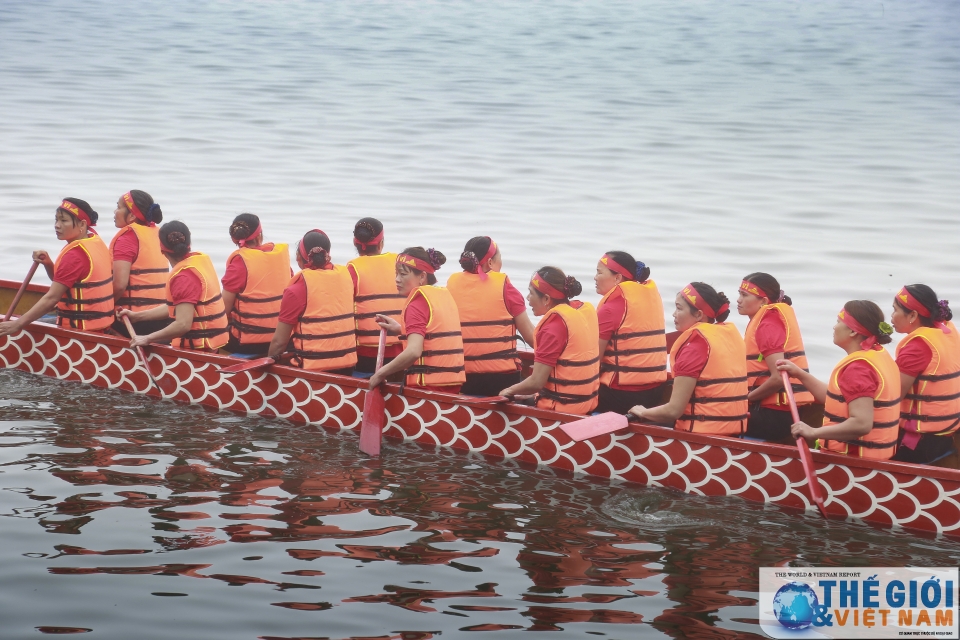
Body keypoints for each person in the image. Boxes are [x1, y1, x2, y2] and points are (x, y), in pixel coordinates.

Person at [776, 301, 900, 460]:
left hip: (854, 464)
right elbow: (834, 398)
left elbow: (862, 424)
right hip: (874, 461)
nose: (834, 327)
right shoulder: (876, 354)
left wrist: (813, 432)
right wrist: (800, 374)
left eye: (838, 322)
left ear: (853, 332)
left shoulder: (858, 369)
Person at [628, 283, 748, 436]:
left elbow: (673, 411)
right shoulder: (725, 337)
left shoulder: (694, 348)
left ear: (698, 315)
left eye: (679, 308)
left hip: (700, 438)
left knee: (636, 418)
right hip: (732, 432)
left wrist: (643, 412)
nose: (673, 314)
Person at [0, 198, 114, 338]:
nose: (57, 225)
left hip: (80, 333)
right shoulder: (92, 240)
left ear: (82, 224)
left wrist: (17, 324)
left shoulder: (75, 255)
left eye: (63, 221)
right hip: (100, 327)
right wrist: (48, 264)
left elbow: (52, 298)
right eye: (56, 220)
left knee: (21, 322)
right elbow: (64, 283)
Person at [500, 267, 599, 415]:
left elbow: (536, 382)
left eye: (531, 293)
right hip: (584, 405)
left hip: (560, 413)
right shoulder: (582, 311)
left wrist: (507, 391)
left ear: (546, 299)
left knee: (504, 396)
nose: (527, 298)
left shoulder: (552, 328)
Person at [119, 221, 229, 352]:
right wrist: (137, 316)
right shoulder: (198, 261)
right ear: (189, 244)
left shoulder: (183, 277)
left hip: (197, 353)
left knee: (141, 343)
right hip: (210, 345)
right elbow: (177, 307)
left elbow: (183, 325)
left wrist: (147, 338)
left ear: (161, 249)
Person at [447, 236, 535, 396]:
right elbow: (532, 338)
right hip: (501, 382)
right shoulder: (507, 290)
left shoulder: (450, 286)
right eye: (500, 257)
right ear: (490, 263)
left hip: (461, 377)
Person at [368, 248, 465, 393]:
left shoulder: (416, 304)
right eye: (396, 274)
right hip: (452, 386)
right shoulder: (442, 295)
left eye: (403, 274)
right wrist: (402, 329)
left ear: (422, 277)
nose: (397, 279)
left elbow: (413, 352)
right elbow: (433, 332)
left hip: (427, 389)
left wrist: (379, 374)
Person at [737, 272, 815, 443]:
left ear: (764, 302)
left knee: (712, 417)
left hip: (774, 417)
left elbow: (778, 378)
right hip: (775, 412)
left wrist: (744, 400)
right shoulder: (767, 319)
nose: (739, 300)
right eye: (739, 294)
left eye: (744, 295)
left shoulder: (767, 325)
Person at [266, 230, 356, 374]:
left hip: (311, 372)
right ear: (328, 255)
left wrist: (267, 366)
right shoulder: (347, 277)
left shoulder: (296, 289)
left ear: (299, 257)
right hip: (347, 368)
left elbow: (279, 343)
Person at [890, 285, 959, 464]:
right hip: (946, 433)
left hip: (919, 443)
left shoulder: (917, 347)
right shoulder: (947, 331)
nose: (891, 316)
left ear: (912, 315)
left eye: (895, 310)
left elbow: (890, 398)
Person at [594, 251, 668, 413]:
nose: (595, 277)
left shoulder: (610, 308)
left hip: (621, 395)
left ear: (617, 278)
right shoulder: (649, 301)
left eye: (599, 272)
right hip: (656, 393)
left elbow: (592, 362)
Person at [221, 213, 291, 355]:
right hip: (282, 337)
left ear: (235, 240)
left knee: (211, 332)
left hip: (248, 344)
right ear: (260, 236)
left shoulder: (239, 263)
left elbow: (223, 311)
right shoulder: (281, 258)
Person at [346, 218, 404, 375]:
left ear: (354, 242)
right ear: (381, 243)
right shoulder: (401, 264)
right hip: (402, 353)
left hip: (365, 356)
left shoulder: (352, 270)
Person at [109, 190, 169, 337]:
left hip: (133, 320)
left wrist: (99, 308)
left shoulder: (128, 237)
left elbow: (119, 286)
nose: (114, 211)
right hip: (162, 316)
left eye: (118, 207)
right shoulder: (158, 233)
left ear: (131, 215)